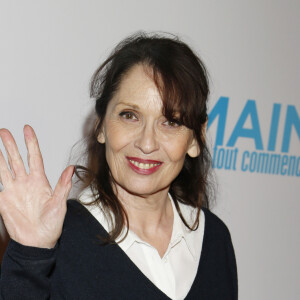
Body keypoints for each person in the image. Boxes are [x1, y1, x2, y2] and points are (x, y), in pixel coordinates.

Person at [0, 33, 238, 299]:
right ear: (101, 126)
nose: (147, 143)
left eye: (171, 122)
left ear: (196, 138)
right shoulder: (58, 236)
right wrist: (30, 257)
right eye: (130, 116)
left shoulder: (214, 238)